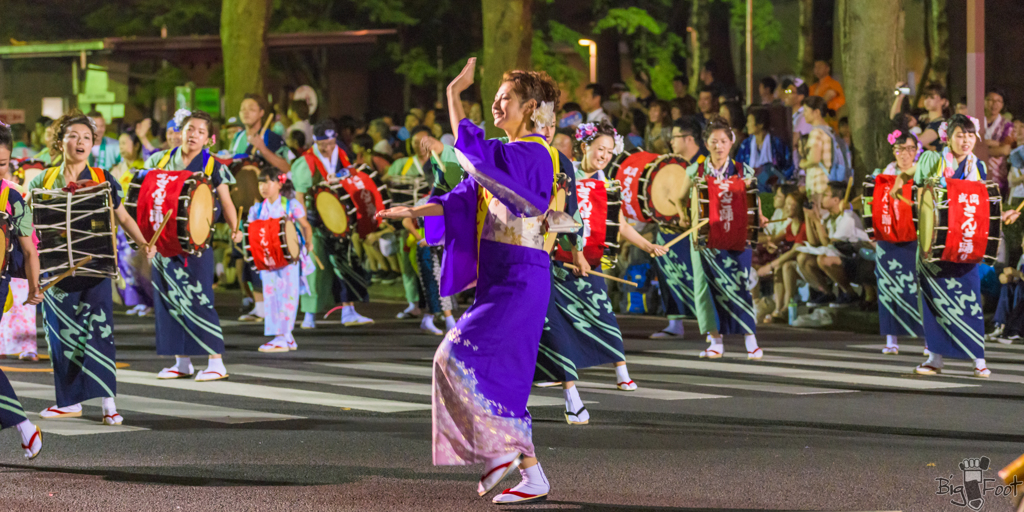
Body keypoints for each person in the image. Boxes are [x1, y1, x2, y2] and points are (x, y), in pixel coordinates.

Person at [378, 57, 555, 504]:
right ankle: (527, 471)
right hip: (502, 277)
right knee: (493, 373)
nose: (496, 105)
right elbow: (461, 199)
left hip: (520, 277)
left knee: (454, 356)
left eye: (505, 98)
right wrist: (414, 211)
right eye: (494, 98)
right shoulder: (505, 159)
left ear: (530, 106)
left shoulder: (531, 152)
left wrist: (454, 96)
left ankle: (502, 455)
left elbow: (474, 155)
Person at [537, 122, 667, 425]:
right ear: (585, 147)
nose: (604, 155)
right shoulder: (564, 175)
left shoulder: (608, 184)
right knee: (554, 323)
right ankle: (561, 380)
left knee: (602, 313)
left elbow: (619, 224)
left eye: (610, 151)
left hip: (592, 260)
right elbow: (558, 217)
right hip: (559, 261)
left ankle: (621, 370)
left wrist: (647, 245)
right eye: (600, 149)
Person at [29, 110, 154, 422]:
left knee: (99, 333)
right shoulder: (41, 180)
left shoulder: (101, 178)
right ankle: (69, 401)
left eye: (87, 137)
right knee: (60, 337)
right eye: (73, 136)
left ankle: (108, 405)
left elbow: (122, 216)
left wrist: (142, 242)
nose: (81, 141)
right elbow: (26, 227)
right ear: (60, 142)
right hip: (56, 270)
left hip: (95, 266)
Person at [143, 110, 241, 382]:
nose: (193, 134)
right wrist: (144, 238)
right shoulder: (159, 160)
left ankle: (215, 361)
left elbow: (227, 201)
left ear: (209, 139)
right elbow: (145, 197)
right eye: (189, 129)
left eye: (200, 131)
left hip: (196, 243)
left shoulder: (213, 166)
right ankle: (181, 361)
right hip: (164, 242)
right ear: (180, 131)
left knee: (199, 299)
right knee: (168, 300)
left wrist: (235, 228)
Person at [893, 114, 990, 378]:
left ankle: (978, 359)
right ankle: (935, 359)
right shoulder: (932, 160)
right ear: (948, 137)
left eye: (970, 135)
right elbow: (924, 195)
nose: (966, 140)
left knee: (969, 300)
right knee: (933, 300)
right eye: (960, 135)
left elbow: (981, 200)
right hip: (934, 242)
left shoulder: (977, 166)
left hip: (965, 241)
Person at [678, 115, 763, 360]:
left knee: (740, 285)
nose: (719, 146)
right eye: (714, 141)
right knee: (705, 289)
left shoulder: (742, 170)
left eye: (723, 141)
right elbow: (680, 198)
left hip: (736, 237)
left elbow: (753, 200)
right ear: (706, 143)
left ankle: (750, 339)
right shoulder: (696, 170)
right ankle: (715, 340)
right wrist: (683, 215)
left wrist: (760, 216)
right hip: (705, 239)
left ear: (731, 142)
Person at [290, 121, 373, 329]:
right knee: (314, 268)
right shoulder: (306, 161)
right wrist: (302, 224)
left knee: (345, 263)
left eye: (331, 142)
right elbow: (299, 194)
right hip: (315, 220)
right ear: (316, 142)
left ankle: (349, 310)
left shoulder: (342, 155)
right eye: (323, 144)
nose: (328, 148)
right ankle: (309, 314)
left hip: (340, 219)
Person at [0, 121, 43, 458]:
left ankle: (24, 427)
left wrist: (34, 286)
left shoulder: (12, 196)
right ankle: (24, 427)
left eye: (1, 163)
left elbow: (29, 250)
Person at [237, 167, 314, 352]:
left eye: (268, 182)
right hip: (268, 259)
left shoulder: (291, 205)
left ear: (279, 184)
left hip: (287, 260)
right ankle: (286, 336)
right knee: (271, 296)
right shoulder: (257, 208)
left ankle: (281, 336)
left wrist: (307, 243)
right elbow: (253, 232)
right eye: (261, 182)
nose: (263, 187)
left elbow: (305, 226)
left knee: (288, 295)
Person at [648, 117, 704, 339]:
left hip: (699, 232)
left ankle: (711, 325)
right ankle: (675, 323)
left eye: (675, 137)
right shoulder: (672, 164)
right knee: (667, 270)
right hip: (673, 231)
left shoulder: (705, 163)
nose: (671, 141)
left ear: (689, 139)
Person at [871, 130, 924, 354]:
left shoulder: (923, 172)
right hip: (888, 237)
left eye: (911, 149)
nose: (905, 154)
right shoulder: (884, 174)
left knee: (920, 289)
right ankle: (891, 340)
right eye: (900, 149)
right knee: (888, 288)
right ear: (893, 152)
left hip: (916, 237)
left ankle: (927, 341)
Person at [798, 181, 872, 308]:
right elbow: (813, 242)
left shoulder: (848, 217)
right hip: (841, 258)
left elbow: (829, 243)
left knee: (823, 260)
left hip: (858, 260)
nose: (822, 198)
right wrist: (808, 217)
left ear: (836, 200)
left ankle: (850, 294)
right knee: (803, 259)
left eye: (826, 195)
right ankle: (826, 293)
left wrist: (816, 221)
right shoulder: (829, 217)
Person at [111, 129, 153, 317]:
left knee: (139, 261)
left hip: (137, 221)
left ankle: (149, 300)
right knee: (124, 263)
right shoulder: (116, 169)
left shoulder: (144, 167)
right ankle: (137, 300)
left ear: (136, 146)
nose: (121, 148)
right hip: (121, 223)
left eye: (125, 143)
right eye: (119, 144)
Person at [758, 188, 807, 323]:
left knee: (784, 266)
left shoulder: (804, 226)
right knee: (780, 268)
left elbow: (794, 251)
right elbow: (774, 239)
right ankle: (778, 309)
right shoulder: (790, 226)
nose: (786, 208)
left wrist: (770, 265)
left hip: (803, 263)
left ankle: (787, 305)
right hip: (793, 262)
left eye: (791, 205)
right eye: (786, 204)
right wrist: (770, 244)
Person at [801, 96, 851, 202]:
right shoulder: (829, 131)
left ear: (816, 112)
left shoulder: (816, 133)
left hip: (818, 184)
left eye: (806, 110)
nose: (804, 114)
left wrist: (803, 164)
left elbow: (815, 159)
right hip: (829, 182)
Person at [229, 94, 292, 173]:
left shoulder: (272, 137)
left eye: (251, 109)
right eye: (242, 109)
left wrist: (263, 150)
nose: (246, 112)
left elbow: (288, 167)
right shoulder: (237, 137)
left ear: (261, 112)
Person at [737, 107, 793, 191]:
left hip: (773, 188)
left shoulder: (777, 143)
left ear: (760, 124)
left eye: (749, 121)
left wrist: (780, 182)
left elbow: (787, 166)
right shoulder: (746, 144)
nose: (747, 125)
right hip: (750, 188)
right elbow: (739, 166)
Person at [982, 89, 1013, 193]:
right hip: (976, 175)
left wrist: (980, 150)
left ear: (1002, 104)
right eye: (990, 100)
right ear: (984, 101)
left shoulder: (1007, 125)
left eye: (998, 101)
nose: (994, 104)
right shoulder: (976, 121)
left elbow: (1005, 150)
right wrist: (994, 144)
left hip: (998, 178)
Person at [916, 83, 951, 152]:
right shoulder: (922, 120)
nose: (927, 100)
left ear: (942, 101)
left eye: (932, 97)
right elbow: (895, 118)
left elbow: (919, 142)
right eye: (926, 97)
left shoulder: (941, 124)